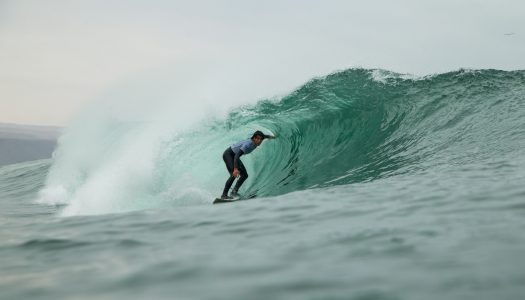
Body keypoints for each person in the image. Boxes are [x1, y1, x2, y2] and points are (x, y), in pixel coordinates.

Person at [221, 130, 275, 199]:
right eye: (258, 139)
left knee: (244, 175)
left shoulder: (259, 140)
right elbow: (237, 155)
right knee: (233, 174)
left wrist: (273, 137)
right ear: (254, 138)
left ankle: (234, 191)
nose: (259, 141)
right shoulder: (248, 144)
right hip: (229, 154)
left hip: (234, 155)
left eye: (261, 139)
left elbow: (265, 136)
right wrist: (235, 169)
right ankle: (224, 195)